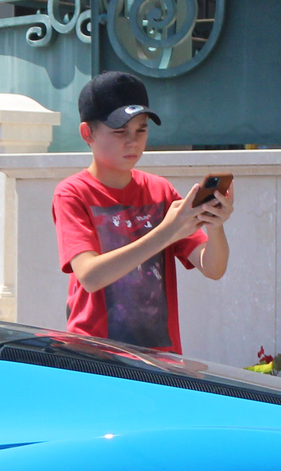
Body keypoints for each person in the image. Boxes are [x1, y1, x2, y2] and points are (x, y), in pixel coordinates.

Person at [53, 69, 232, 354]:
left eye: (141, 130)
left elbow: (213, 268)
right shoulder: (72, 192)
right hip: (94, 355)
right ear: (88, 133)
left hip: (160, 357)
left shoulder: (160, 190)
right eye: (119, 131)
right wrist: (168, 231)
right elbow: (90, 276)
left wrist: (216, 225)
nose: (133, 142)